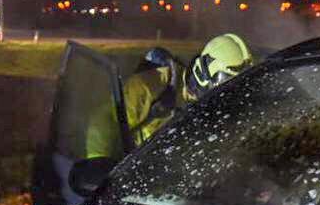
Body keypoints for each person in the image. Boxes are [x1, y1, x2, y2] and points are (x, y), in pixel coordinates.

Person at [84, 33, 256, 160]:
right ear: (202, 73)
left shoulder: (221, 112)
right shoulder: (153, 83)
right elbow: (105, 120)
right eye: (224, 89)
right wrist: (97, 164)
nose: (224, 100)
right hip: (126, 170)